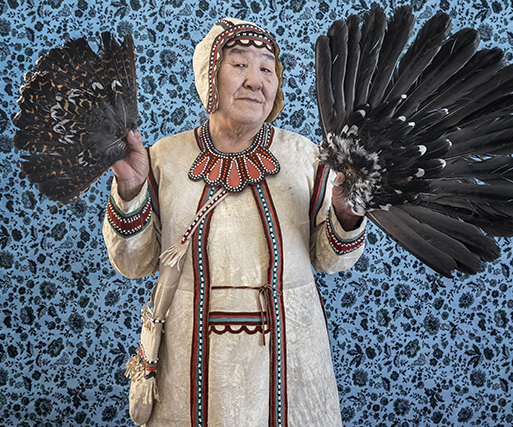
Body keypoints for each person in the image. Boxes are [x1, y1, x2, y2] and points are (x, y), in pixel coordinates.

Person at [103, 17, 366, 427]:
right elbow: (133, 264)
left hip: (292, 358)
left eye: (267, 68)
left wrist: (348, 212)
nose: (256, 80)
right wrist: (132, 190)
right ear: (210, 76)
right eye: (239, 64)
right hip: (187, 362)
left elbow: (332, 260)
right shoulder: (163, 159)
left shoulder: (306, 157)